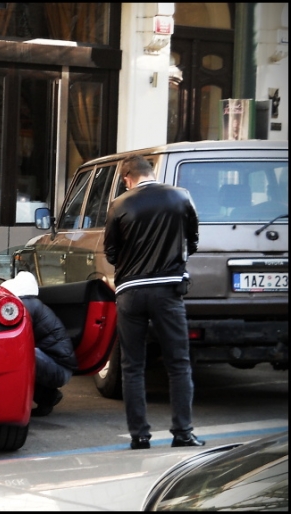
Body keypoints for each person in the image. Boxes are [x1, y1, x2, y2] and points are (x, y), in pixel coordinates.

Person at [104, 155, 203, 450]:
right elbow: (193, 241)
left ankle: (140, 436)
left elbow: (111, 253)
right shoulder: (180, 197)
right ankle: (182, 433)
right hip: (168, 291)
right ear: (152, 173)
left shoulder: (119, 205)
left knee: (132, 365)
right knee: (178, 364)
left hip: (130, 293)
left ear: (127, 178)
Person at [0, 271, 78, 417]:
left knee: (18, 353)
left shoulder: (24, 306)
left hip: (57, 369)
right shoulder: (32, 304)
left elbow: (12, 340)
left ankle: (46, 397)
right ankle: (47, 395)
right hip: (59, 367)